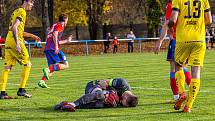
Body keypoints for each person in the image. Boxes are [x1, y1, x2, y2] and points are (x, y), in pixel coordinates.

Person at [168, 0, 212, 112]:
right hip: (199, 39)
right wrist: (198, 24)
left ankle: (182, 93)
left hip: (183, 39)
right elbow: (209, 20)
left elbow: (173, 19)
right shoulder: (204, 0)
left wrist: (170, 27)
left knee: (178, 66)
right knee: (196, 72)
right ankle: (188, 106)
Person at [0, 0, 41, 99]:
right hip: (15, 41)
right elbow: (15, 27)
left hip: (8, 41)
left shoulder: (16, 11)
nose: (32, 5)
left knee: (7, 67)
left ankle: (2, 92)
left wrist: (32, 36)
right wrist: (18, 43)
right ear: (26, 2)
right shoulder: (22, 12)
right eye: (31, 2)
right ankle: (21, 90)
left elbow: (17, 30)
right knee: (28, 64)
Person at [154, 0, 191, 101]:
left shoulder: (171, 5)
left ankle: (177, 96)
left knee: (173, 69)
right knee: (183, 67)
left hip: (176, 40)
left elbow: (168, 23)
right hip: (188, 39)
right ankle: (192, 92)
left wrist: (160, 41)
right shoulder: (187, 3)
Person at [38, 14, 72, 88]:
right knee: (66, 65)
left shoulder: (55, 25)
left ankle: (42, 81)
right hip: (53, 48)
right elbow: (55, 34)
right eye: (67, 20)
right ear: (65, 20)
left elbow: (56, 39)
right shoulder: (60, 25)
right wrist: (56, 46)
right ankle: (47, 70)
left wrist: (67, 40)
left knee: (52, 68)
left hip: (48, 49)